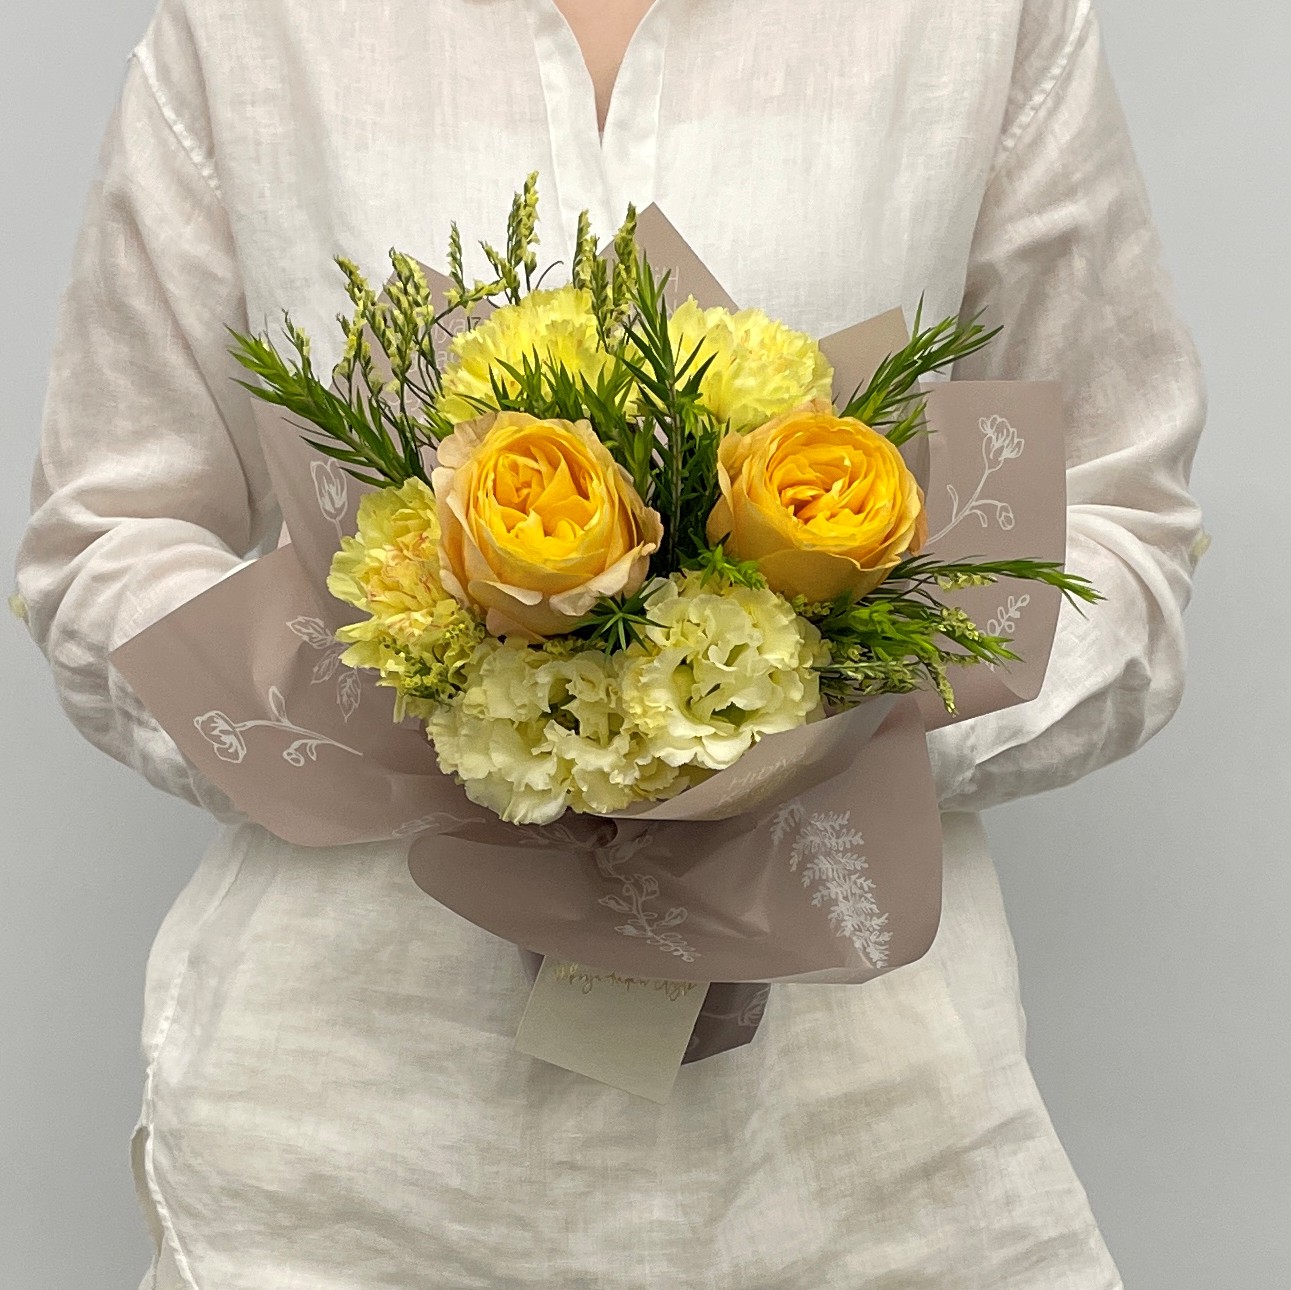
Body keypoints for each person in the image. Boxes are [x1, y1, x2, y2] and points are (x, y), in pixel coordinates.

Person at [12, 0, 1206, 1285]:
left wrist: (806, 736)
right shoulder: (250, 24)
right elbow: (107, 534)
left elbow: (1122, 522)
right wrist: (438, 723)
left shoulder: (979, 20)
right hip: (349, 1141)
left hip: (862, 1153)